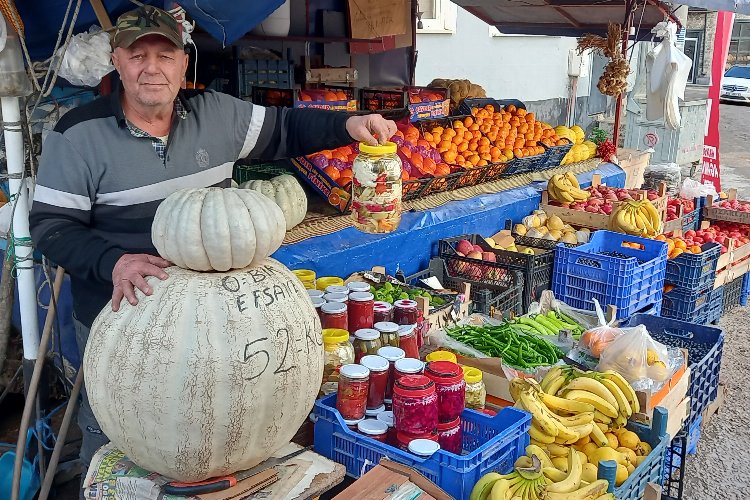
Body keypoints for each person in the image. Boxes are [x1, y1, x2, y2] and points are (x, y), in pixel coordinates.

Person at [28, 5, 396, 492]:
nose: (151, 68)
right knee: (128, 444)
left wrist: (348, 126)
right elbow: (50, 226)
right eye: (137, 55)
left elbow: (286, 129)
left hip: (220, 331)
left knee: (219, 433)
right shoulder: (77, 134)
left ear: (184, 64)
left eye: (164, 55)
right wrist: (113, 261)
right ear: (117, 61)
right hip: (127, 327)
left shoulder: (217, 114)